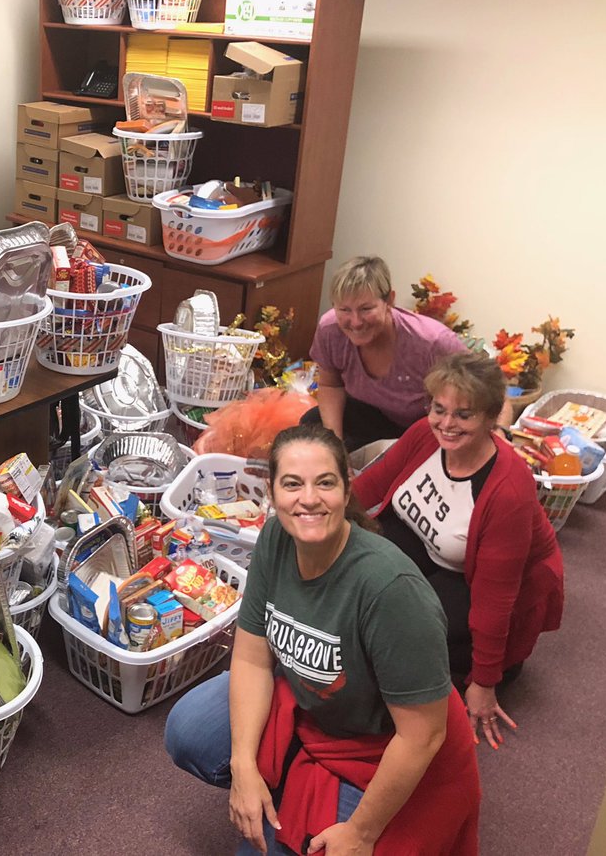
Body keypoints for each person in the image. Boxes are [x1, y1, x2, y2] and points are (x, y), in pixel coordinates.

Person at [166, 424, 480, 855]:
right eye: (292, 484)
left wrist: (362, 833)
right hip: (310, 708)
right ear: (272, 493)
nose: (308, 499)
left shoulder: (391, 590)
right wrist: (242, 766)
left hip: (380, 744)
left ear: (347, 490)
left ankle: (301, 783)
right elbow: (253, 659)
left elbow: (422, 736)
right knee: (189, 731)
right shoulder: (277, 537)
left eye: (325, 482)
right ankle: (286, 770)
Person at [352, 351, 564, 747]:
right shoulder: (424, 434)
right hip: (426, 539)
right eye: (439, 409)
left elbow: (495, 599)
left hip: (478, 575)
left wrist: (484, 683)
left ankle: (490, 665)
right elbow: (372, 484)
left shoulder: (509, 489)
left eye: (463, 415)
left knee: (411, 630)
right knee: (360, 574)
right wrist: (311, 506)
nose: (446, 424)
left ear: (489, 418)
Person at [303, 255, 469, 450]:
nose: (355, 322)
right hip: (371, 415)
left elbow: (487, 392)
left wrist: (500, 431)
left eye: (366, 309)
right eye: (345, 310)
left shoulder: (433, 341)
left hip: (426, 427)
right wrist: (335, 448)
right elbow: (330, 385)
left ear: (389, 300)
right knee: (313, 426)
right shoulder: (330, 328)